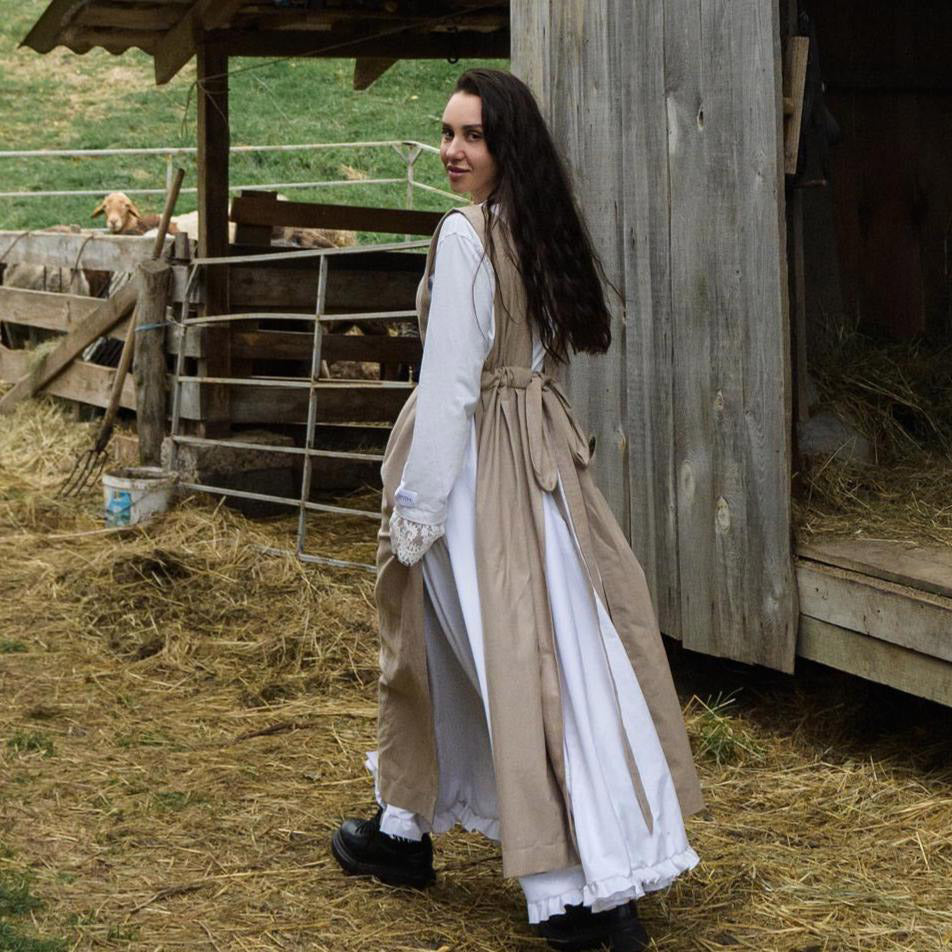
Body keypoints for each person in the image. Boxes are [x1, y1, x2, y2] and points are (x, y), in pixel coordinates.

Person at [331, 68, 704, 952]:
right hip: (538, 463)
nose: (454, 152)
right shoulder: (535, 228)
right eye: (448, 133)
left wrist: (418, 511)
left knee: (507, 662)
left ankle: (565, 886)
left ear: (508, 147)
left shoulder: (465, 237)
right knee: (504, 651)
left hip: (474, 477)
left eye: (474, 137)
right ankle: (403, 830)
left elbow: (453, 385)